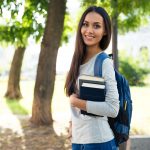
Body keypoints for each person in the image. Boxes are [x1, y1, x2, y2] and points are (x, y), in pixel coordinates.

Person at [64, 6, 119, 150]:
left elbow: (113, 108)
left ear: (105, 31)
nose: (89, 30)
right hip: (77, 141)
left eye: (96, 26)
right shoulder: (77, 61)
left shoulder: (104, 62)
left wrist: (76, 102)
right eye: (85, 24)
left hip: (99, 142)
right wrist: (72, 124)